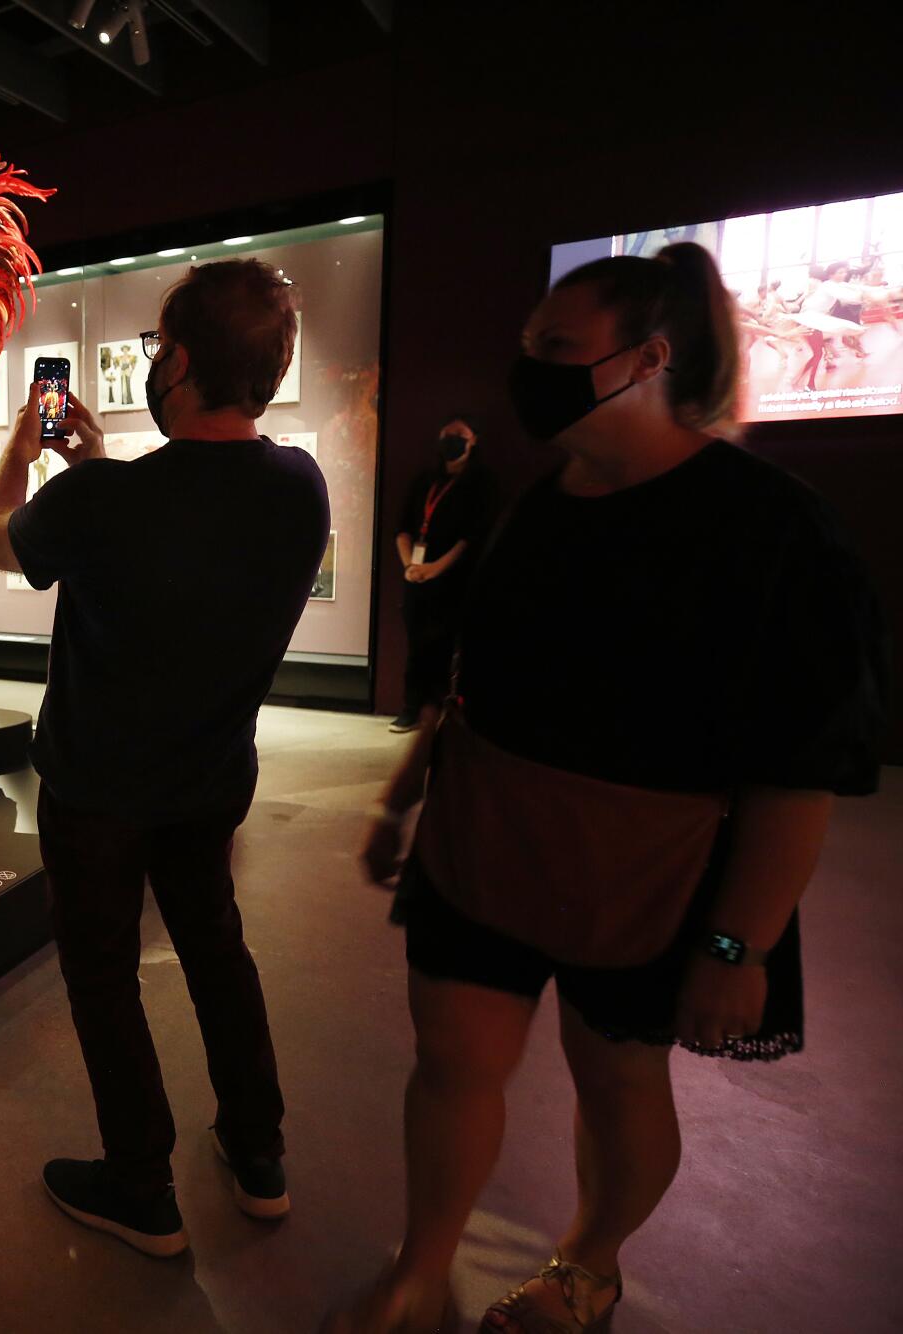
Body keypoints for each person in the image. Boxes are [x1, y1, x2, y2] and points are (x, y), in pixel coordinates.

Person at [337, 243, 885, 1333]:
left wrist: (738, 945)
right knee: (449, 1060)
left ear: (649, 357)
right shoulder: (540, 502)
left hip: (650, 867)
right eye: (527, 345)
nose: (526, 366)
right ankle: (420, 1263)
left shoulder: (771, 527)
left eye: (555, 348)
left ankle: (586, 1258)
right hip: (483, 831)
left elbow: (796, 769)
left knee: (617, 1079)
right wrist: (406, 789)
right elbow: (473, 677)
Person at [0, 259, 331, 1258]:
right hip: (210, 781)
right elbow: (177, 520)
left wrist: (19, 446)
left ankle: (140, 1182)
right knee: (216, 946)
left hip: (96, 789)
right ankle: (257, 1154)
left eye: (156, 350)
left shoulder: (107, 503)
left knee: (101, 970)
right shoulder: (298, 486)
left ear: (176, 362)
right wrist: (92, 470)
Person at [389, 415, 493, 732]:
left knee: (447, 646)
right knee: (416, 645)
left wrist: (435, 569)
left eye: (460, 435)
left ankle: (438, 711)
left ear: (474, 440)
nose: (453, 441)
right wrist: (411, 566)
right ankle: (411, 708)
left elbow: (470, 538)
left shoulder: (481, 483)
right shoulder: (425, 481)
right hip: (417, 579)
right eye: (447, 435)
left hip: (454, 582)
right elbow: (403, 529)